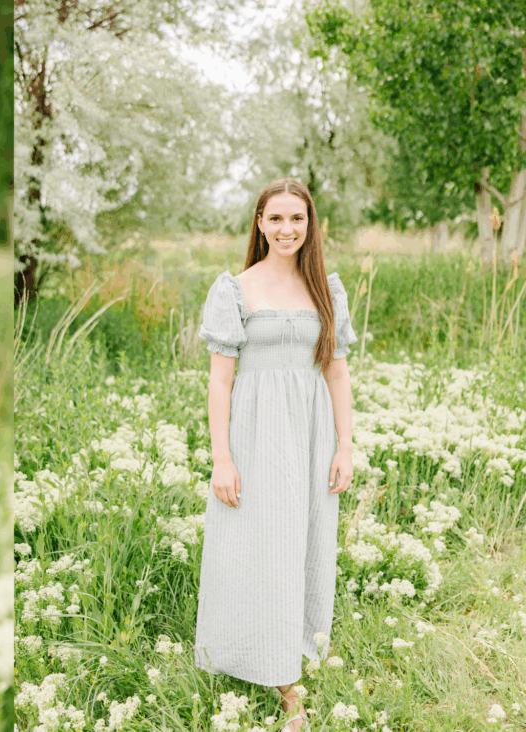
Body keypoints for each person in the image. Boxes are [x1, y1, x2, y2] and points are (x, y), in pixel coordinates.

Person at [192, 178, 357, 731]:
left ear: (311, 226)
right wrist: (223, 458)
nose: (287, 229)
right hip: (255, 438)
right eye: (276, 219)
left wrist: (345, 446)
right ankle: (264, 669)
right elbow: (220, 384)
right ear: (259, 224)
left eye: (298, 219)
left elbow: (336, 371)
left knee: (301, 542)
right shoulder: (235, 289)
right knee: (253, 546)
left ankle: (288, 660)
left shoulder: (325, 290)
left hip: (309, 435)